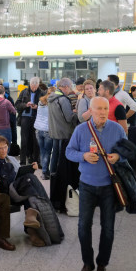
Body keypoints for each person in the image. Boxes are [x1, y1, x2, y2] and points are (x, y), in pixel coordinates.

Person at [66, 96, 126, 271]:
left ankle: (101, 265)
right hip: (87, 186)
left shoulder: (117, 129)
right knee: (83, 226)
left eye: (105, 108)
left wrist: (117, 156)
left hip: (109, 187)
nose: (102, 112)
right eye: (98, 108)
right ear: (90, 111)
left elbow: (128, 153)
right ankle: (87, 264)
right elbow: (69, 151)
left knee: (108, 228)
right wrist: (83, 155)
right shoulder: (81, 130)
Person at [47, 78, 78, 211]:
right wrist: (76, 113)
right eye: (70, 87)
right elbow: (69, 117)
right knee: (62, 161)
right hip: (64, 133)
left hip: (54, 132)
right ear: (64, 87)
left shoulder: (52, 98)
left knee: (55, 157)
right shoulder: (63, 100)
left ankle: (52, 178)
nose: (70, 90)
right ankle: (60, 182)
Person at [16, 77, 44, 165]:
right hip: (25, 118)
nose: (34, 88)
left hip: (36, 118)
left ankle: (36, 160)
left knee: (36, 141)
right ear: (30, 85)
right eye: (33, 87)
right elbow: (17, 104)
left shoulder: (42, 93)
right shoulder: (24, 92)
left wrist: (37, 107)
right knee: (24, 140)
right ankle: (23, 160)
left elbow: (46, 107)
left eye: (36, 87)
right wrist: (25, 105)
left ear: (38, 85)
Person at [34, 91, 52, 179]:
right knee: (47, 152)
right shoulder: (51, 105)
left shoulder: (40, 103)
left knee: (42, 151)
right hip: (47, 130)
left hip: (38, 129)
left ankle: (44, 171)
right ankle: (45, 172)